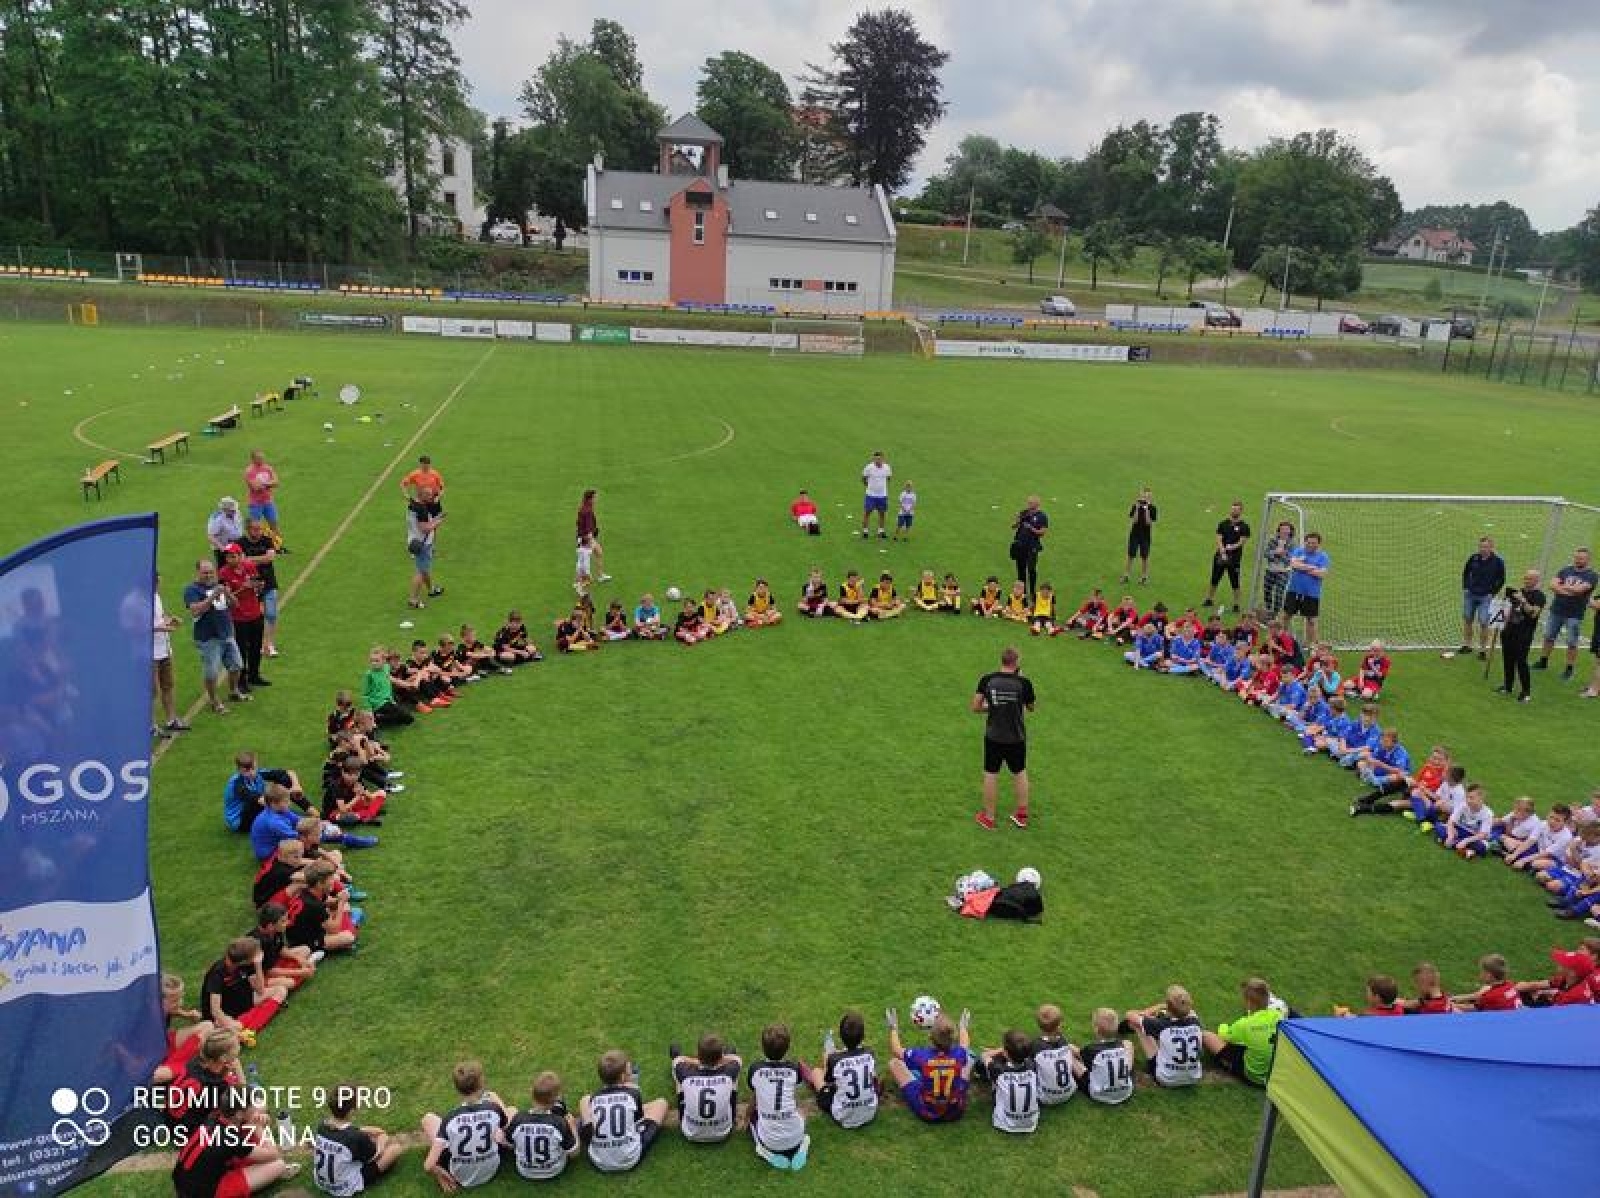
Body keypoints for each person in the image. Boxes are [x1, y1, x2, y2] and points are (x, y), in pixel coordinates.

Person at [171, 1087, 296, 1197]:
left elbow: (260, 1108)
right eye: (252, 1106)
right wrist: (258, 1127)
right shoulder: (231, 1137)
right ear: (240, 1114)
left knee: (251, 1147)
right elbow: (273, 1154)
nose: (256, 1110)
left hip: (185, 1183)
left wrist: (254, 1119)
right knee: (278, 1165)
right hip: (206, 1192)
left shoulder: (215, 1116)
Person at [420, 1060, 510, 1190]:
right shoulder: (493, 1109)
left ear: (457, 1089)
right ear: (481, 1083)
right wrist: (496, 1099)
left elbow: (428, 1166)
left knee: (428, 1119)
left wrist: (439, 1175)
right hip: (490, 1170)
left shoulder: (451, 1118)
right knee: (510, 1111)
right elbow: (505, 1125)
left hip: (459, 1175)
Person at [973, 647, 1036, 830]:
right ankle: (1022, 816)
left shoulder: (987, 680)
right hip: (1016, 737)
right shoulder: (1024, 683)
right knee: (1019, 772)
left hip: (994, 736)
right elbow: (1031, 707)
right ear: (1016, 663)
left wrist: (992, 707)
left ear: (1002, 661)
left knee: (991, 774)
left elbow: (975, 707)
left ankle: (989, 818)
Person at [579, 1050, 669, 1174]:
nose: (631, 1072)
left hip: (598, 1160)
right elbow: (639, 1124)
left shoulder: (593, 1099)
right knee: (661, 1103)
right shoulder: (633, 1093)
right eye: (629, 1070)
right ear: (622, 1077)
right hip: (628, 1159)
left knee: (586, 1101)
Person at [312, 1084, 404, 1196]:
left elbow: (347, 1134)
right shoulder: (356, 1137)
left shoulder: (322, 1126)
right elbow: (375, 1157)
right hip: (344, 1188)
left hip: (321, 1182)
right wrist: (382, 1141)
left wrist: (368, 1131)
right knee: (395, 1149)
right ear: (351, 1111)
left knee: (355, 1150)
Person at [887, 1009, 971, 1124]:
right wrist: (963, 1028)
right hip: (955, 1111)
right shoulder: (959, 1053)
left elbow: (896, 1051)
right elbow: (965, 1044)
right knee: (968, 1057)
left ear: (930, 1037)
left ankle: (921, 1078)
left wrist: (893, 1029)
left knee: (895, 1063)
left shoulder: (921, 1055)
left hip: (927, 1111)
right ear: (952, 1038)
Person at [184, 558, 246, 713]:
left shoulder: (218, 585)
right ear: (197, 572)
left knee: (237, 665)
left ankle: (233, 691)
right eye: (205, 572)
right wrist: (212, 597)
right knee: (211, 673)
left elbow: (235, 605)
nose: (209, 575)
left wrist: (227, 593)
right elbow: (195, 610)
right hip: (208, 637)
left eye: (211, 572)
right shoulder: (191, 590)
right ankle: (214, 701)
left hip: (226, 633)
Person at [746, 1024, 809, 1170]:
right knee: (801, 1113)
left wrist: (746, 1117)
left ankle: (764, 1152)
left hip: (770, 1142)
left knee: (753, 1120)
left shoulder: (756, 1069)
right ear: (787, 1048)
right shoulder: (793, 1069)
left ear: (763, 1047)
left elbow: (755, 1097)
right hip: (796, 1136)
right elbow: (793, 1095)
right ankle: (804, 1145)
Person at [1200, 978, 1284, 1087]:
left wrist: (1223, 1026)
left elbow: (1224, 1035)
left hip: (1255, 1077)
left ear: (1249, 1003)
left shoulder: (1245, 1024)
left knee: (1207, 1036)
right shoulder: (1279, 1016)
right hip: (1274, 1073)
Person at [808, 1011, 879, 1131]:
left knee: (816, 1073)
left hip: (843, 1116)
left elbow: (828, 1081)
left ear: (841, 1036)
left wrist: (827, 1058)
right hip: (870, 1112)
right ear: (863, 1036)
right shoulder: (870, 1053)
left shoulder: (835, 1059)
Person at [506, 1072, 579, 1182]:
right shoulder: (559, 1123)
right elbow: (574, 1153)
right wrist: (573, 1128)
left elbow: (509, 1145)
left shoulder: (518, 1119)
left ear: (531, 1093)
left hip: (525, 1171)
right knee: (568, 1135)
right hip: (554, 1170)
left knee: (511, 1111)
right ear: (555, 1101)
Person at [1537, 546, 1597, 679]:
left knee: (1571, 642)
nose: (1578, 560)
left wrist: (1562, 587)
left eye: (1581, 558)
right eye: (1576, 557)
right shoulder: (1565, 570)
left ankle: (1569, 668)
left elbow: (1580, 590)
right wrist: (1570, 590)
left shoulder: (1592, 575)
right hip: (1557, 609)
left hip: (1574, 613)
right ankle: (1543, 661)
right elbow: (1552, 585)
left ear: (1587, 560)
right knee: (1548, 636)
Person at [1124, 986, 1203, 1088]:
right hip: (1194, 1077)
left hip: (1166, 1079)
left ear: (1168, 1006)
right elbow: (1188, 1011)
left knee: (1136, 1025)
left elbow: (1129, 1015)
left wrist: (1151, 1010)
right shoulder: (1196, 1022)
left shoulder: (1161, 1025)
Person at [670, 1034, 741, 1144]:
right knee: (733, 1080)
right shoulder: (729, 1072)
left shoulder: (686, 1074)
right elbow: (736, 1059)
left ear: (698, 1054)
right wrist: (723, 1058)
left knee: (680, 1081)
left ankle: (684, 1114)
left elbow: (677, 1060)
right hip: (723, 1133)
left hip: (690, 1133)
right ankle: (733, 1114)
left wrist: (694, 1061)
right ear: (721, 1056)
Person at [219, 544, 268, 690]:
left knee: (256, 646)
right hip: (238, 617)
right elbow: (225, 598)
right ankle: (241, 681)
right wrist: (243, 588)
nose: (230, 559)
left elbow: (259, 587)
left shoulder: (250, 567)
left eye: (233, 556)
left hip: (255, 613)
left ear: (240, 556)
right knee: (240, 649)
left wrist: (259, 585)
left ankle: (254, 675)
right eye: (228, 556)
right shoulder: (223, 573)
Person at [1496, 568, 1545, 703]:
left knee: (1521, 662)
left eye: (1530, 579)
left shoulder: (1539, 596)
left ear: (1536, 581)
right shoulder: (1517, 592)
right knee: (1507, 660)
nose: (1526, 581)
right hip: (1509, 631)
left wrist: (1523, 601)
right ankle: (1507, 686)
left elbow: (1534, 613)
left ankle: (1526, 692)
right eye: (1525, 578)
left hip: (1524, 634)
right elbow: (1507, 610)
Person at [151, 573, 189, 737]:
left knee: (168, 685)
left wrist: (170, 619)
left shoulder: (156, 597)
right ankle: (150, 725)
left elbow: (158, 619)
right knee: (151, 691)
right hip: (148, 653)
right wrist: (163, 628)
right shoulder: (135, 601)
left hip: (164, 648)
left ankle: (171, 719)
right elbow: (134, 628)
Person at [983, 1029, 1040, 1134]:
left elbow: (985, 1056)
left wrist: (998, 1051)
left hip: (1003, 1123)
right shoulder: (1033, 1066)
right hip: (1031, 1122)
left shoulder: (999, 1070)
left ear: (1006, 1052)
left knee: (993, 1074)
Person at [238, 520, 281, 659]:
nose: (258, 532)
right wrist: (261, 559)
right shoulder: (240, 543)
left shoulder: (267, 540)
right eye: (255, 529)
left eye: (260, 529)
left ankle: (269, 645)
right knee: (254, 617)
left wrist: (250, 559)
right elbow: (241, 561)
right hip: (251, 585)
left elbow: (270, 558)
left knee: (272, 614)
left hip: (269, 582)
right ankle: (256, 644)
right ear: (248, 530)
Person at [1073, 1009, 1134, 1106]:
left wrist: (1069, 1046)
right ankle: (1126, 1070)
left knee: (1073, 1060)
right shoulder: (1122, 1046)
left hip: (1099, 1094)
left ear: (1096, 1029)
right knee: (1128, 1043)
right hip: (1126, 1092)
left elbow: (1077, 1053)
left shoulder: (1091, 1049)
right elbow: (1128, 1044)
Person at [1458, 536, 1506, 657]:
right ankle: (1467, 645)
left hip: (1486, 597)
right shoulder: (1474, 558)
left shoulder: (1498, 562)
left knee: (1484, 622)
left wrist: (1492, 592)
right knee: (1468, 619)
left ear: (1491, 547)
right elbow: (1466, 572)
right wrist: (1465, 587)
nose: (1483, 549)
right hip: (1470, 594)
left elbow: (1501, 579)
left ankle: (1482, 650)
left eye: (1485, 547)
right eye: (1481, 546)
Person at [1203, 500, 1251, 613]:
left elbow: (1242, 541)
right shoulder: (1223, 523)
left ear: (1241, 511)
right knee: (1214, 578)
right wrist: (1222, 551)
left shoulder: (1244, 526)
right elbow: (1219, 538)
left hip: (1234, 558)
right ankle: (1209, 599)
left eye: (1236, 509)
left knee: (1235, 581)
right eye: (1233, 508)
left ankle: (1236, 604)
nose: (1234, 510)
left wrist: (1231, 547)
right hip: (1220, 555)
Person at [1283, 531, 1330, 644]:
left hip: (1312, 593)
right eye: (1308, 542)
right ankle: (1282, 639)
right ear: (1305, 542)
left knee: (1311, 620)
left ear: (1319, 544)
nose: (1310, 545)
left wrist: (1302, 567)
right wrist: (1312, 567)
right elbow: (1293, 564)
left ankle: (1311, 645)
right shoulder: (1298, 551)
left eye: (1313, 543)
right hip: (1294, 590)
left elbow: (1322, 574)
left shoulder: (1323, 557)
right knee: (1286, 615)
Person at [1028, 1004, 1078, 1107]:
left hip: (1045, 1098)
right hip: (1069, 1092)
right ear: (1059, 1025)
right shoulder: (1063, 1041)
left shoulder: (1035, 1045)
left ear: (1039, 1025)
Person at [406, 484, 445, 609]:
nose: (431, 496)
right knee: (420, 572)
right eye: (427, 495)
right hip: (422, 544)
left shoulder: (413, 504)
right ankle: (413, 599)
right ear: (420, 495)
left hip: (414, 539)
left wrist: (435, 518)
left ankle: (431, 589)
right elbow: (424, 528)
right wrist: (438, 522)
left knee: (425, 568)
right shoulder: (421, 509)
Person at [1009, 495, 1049, 597]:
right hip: (1020, 545)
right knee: (1020, 569)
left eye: (1031, 503)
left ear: (1037, 504)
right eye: (1028, 503)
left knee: (1031, 569)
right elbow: (1013, 526)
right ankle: (1022, 591)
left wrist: (1031, 528)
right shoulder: (1024, 513)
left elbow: (1043, 532)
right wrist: (1017, 521)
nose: (1029, 505)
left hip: (1032, 547)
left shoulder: (1042, 516)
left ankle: (1032, 590)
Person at [243, 449, 283, 546]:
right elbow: (256, 487)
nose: (262, 460)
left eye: (262, 458)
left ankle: (278, 547)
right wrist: (270, 483)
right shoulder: (249, 471)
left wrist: (264, 484)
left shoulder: (268, 468)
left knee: (274, 524)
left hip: (268, 502)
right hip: (255, 504)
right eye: (259, 458)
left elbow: (277, 482)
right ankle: (253, 547)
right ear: (253, 459)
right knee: (254, 527)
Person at [1260, 520, 1297, 616]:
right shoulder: (1273, 540)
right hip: (1270, 570)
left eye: (1286, 529)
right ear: (1279, 530)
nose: (1284, 531)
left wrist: (1282, 555)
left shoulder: (1292, 544)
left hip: (1283, 572)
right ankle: (1268, 610)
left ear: (1290, 531)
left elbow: (1290, 559)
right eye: (1282, 529)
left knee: (1278, 593)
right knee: (1267, 591)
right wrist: (1275, 553)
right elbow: (1266, 553)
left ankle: (1275, 613)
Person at [1122, 486, 1158, 584]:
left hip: (1145, 536)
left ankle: (1144, 577)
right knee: (1130, 555)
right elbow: (1134, 520)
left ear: (1150, 498)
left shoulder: (1153, 508)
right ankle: (1126, 575)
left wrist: (1146, 509)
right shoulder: (1135, 506)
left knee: (1144, 557)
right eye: (1143, 496)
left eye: (1147, 497)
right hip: (1134, 534)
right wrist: (1137, 508)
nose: (1145, 499)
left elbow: (1148, 523)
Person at [860, 450, 892, 539]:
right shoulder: (869, 467)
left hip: (882, 495)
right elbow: (863, 478)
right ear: (874, 459)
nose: (878, 460)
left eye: (880, 458)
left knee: (882, 513)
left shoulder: (887, 467)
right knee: (867, 512)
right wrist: (868, 486)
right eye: (876, 459)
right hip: (871, 495)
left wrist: (882, 487)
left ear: (882, 458)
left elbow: (889, 478)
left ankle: (881, 531)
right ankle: (865, 531)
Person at [206, 496, 244, 565]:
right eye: (232, 510)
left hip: (237, 544)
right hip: (223, 547)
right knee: (224, 568)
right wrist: (223, 549)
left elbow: (239, 526)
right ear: (225, 510)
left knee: (240, 565)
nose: (234, 511)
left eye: (234, 509)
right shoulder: (217, 519)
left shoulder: (237, 513)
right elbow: (210, 536)